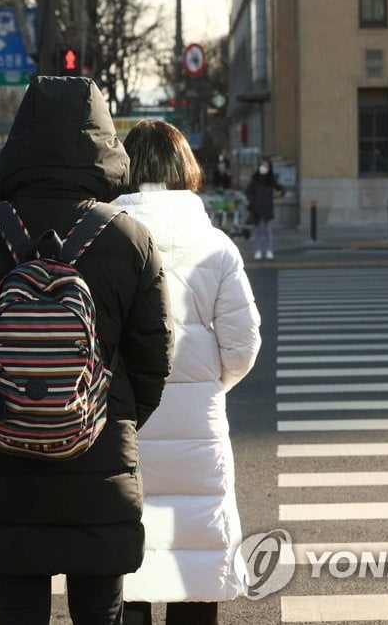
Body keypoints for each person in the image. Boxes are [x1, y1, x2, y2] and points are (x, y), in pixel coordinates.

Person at [0, 76, 173, 625]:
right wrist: (119, 415)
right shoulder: (128, 238)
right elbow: (154, 354)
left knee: (19, 612)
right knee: (100, 611)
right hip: (101, 454)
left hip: (3, 448)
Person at [112, 120, 261, 625]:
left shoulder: (99, 239)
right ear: (185, 169)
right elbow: (243, 344)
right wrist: (208, 387)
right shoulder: (216, 246)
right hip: (197, 429)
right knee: (192, 572)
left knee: (124, 571)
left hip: (119, 428)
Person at [244, 158, 284, 260]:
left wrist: (278, 194)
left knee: (268, 230)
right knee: (257, 230)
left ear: (269, 167)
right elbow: (248, 192)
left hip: (267, 207)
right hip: (256, 208)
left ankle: (269, 250)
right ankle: (258, 251)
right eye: (262, 165)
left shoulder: (271, 180)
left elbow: (282, 189)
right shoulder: (255, 179)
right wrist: (252, 201)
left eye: (266, 165)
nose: (263, 167)